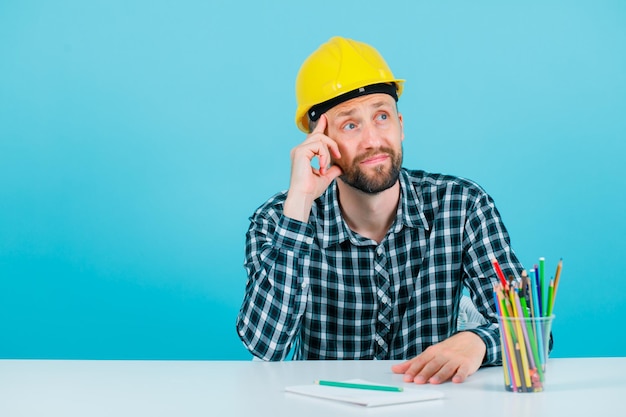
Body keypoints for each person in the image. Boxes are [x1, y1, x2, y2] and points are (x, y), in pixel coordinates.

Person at [236, 36, 524, 384]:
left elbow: (531, 325)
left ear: (401, 125)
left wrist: (477, 341)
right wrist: (299, 204)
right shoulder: (276, 222)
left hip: (432, 404)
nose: (373, 139)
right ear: (320, 143)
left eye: (382, 116)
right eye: (351, 125)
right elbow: (266, 347)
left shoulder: (462, 205)